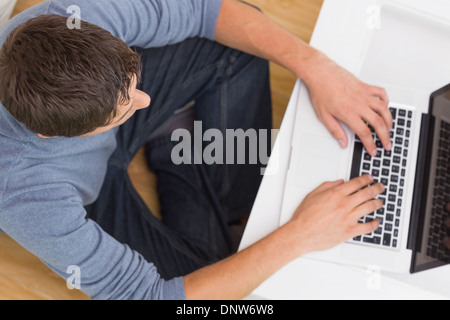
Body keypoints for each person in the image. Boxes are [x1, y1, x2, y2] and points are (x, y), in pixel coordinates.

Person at [0, 0, 391, 300]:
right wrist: (300, 236)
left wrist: (317, 66)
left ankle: (233, 201)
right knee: (221, 287)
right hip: (84, 198)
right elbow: (150, 295)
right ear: (54, 137)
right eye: (124, 108)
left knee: (238, 45)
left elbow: (205, 8)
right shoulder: (26, 196)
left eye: (134, 81)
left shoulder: (73, 18)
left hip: (85, 130)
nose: (146, 98)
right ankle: (180, 142)